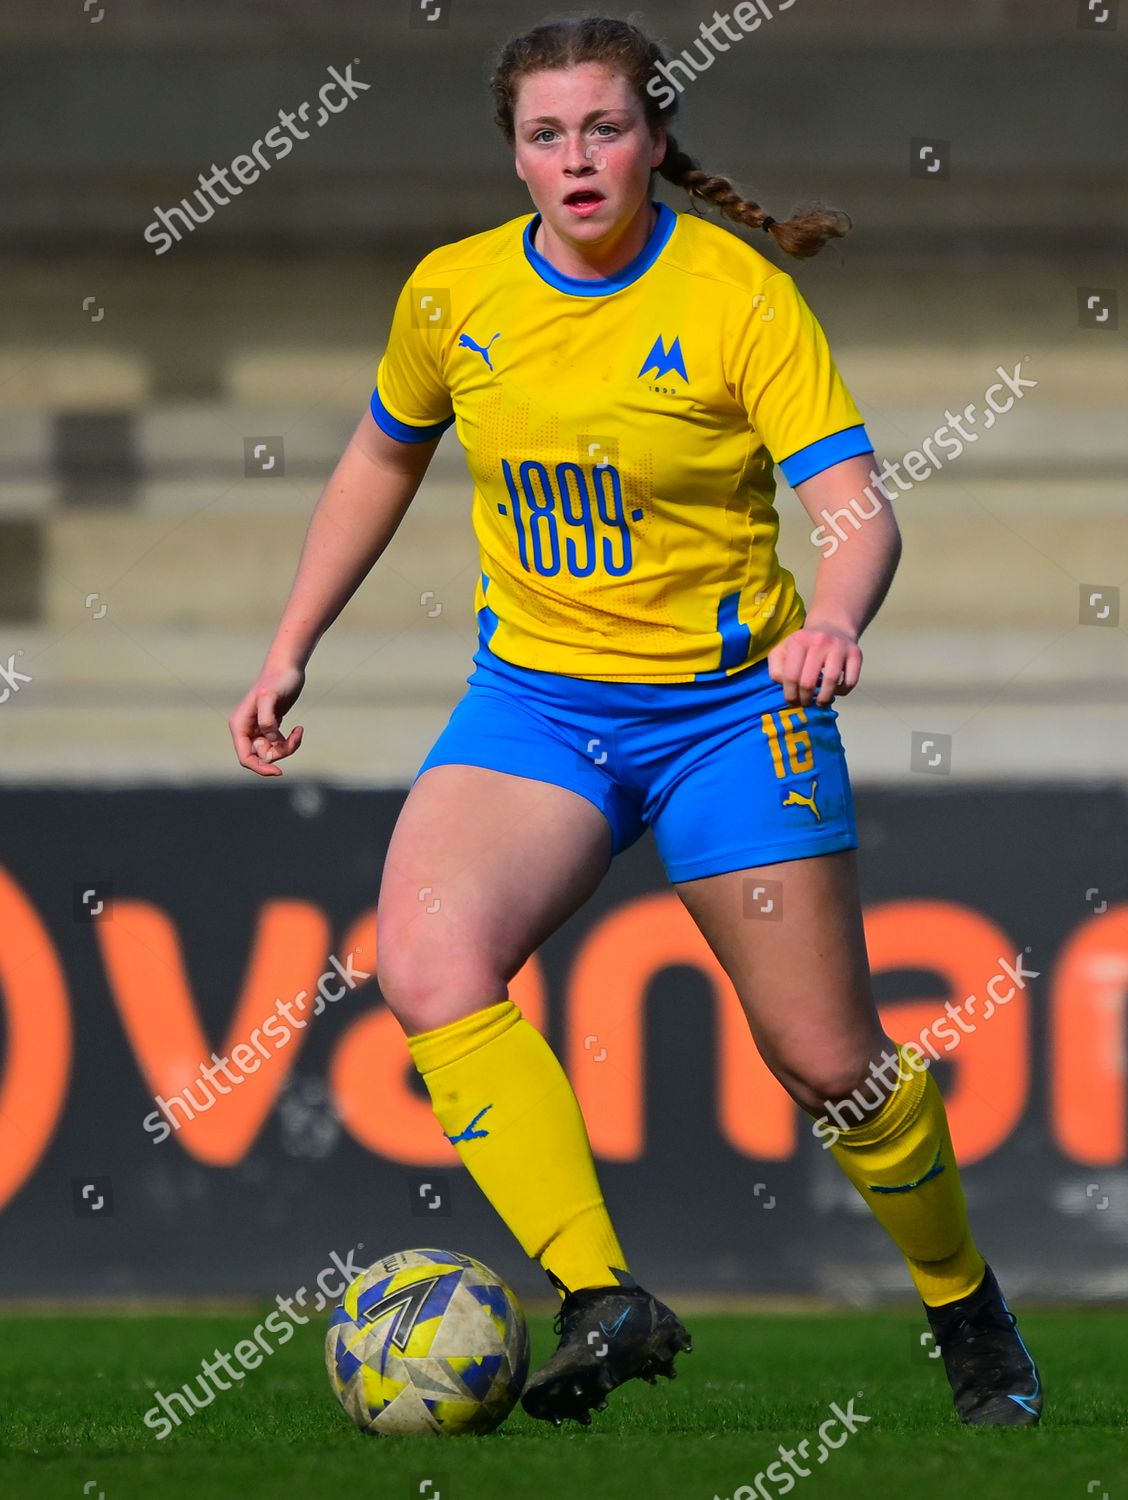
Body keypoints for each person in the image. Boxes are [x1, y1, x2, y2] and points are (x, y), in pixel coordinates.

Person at [229, 14, 1042, 1431]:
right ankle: (603, 1296)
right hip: (537, 709)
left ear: (656, 136)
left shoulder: (736, 298)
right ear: (517, 157)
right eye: (545, 135)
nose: (576, 158)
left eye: (603, 128)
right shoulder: (453, 296)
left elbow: (856, 513)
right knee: (426, 962)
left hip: (736, 715)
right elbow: (380, 455)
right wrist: (292, 643)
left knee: (831, 1066)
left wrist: (834, 615)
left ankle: (965, 1306)